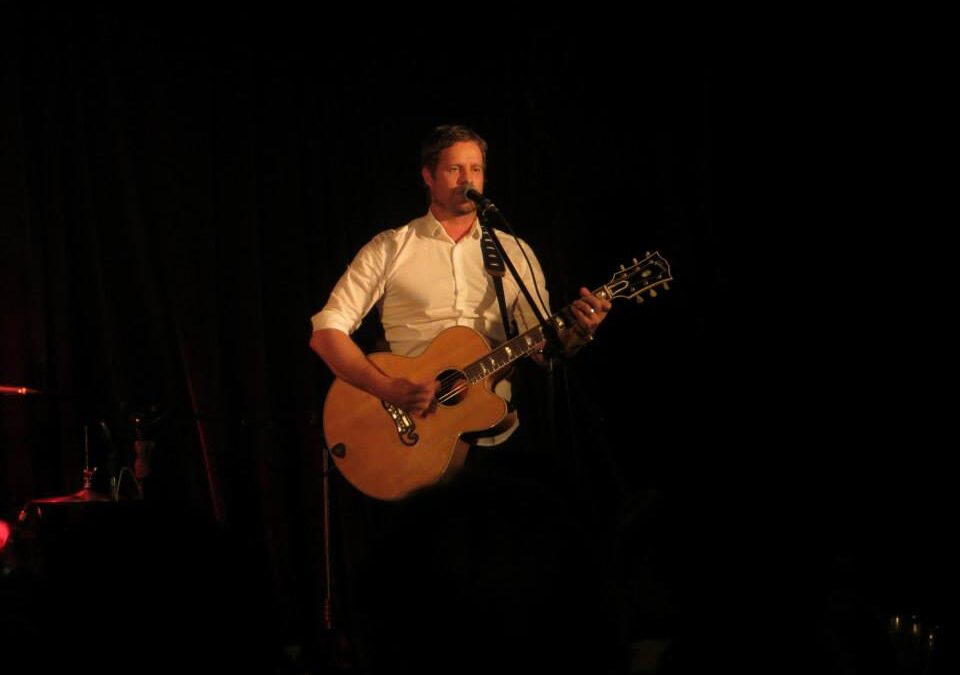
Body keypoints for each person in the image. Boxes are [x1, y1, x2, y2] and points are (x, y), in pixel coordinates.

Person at [309, 124, 611, 454]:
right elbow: (326, 332)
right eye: (455, 169)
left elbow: (542, 350)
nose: (468, 180)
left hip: (493, 431)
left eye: (476, 169)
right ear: (428, 176)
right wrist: (388, 388)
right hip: (412, 433)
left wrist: (579, 332)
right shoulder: (390, 248)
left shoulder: (513, 252)